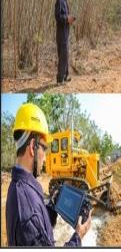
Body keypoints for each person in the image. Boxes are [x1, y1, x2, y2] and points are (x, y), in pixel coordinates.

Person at [6, 103, 92, 246]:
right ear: (33, 147)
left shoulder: (19, 187)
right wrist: (78, 236)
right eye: (44, 149)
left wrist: (52, 206)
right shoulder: (27, 211)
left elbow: (40, 224)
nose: (45, 158)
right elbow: (34, 220)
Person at [55, 0, 75, 84]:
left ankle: (65, 76)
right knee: (63, 56)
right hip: (61, 33)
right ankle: (59, 80)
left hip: (65, 32)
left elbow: (64, 15)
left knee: (66, 54)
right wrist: (66, 19)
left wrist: (69, 19)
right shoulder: (59, 0)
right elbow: (58, 17)